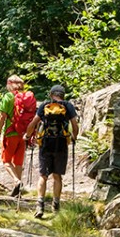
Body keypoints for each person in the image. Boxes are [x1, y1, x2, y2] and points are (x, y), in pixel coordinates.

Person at [24, 84, 78, 218]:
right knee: (57, 176)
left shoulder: (45, 105)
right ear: (63, 94)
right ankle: (56, 206)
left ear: (51, 94)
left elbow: (33, 123)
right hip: (61, 144)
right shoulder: (68, 106)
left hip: (46, 144)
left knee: (43, 175)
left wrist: (27, 135)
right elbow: (75, 125)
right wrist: (73, 138)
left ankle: (40, 205)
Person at [0, 75, 37, 197]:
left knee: (6, 161)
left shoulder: (8, 97)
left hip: (10, 132)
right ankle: (17, 191)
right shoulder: (27, 97)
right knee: (18, 162)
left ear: (9, 84)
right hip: (23, 134)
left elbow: (2, 117)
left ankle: (16, 181)